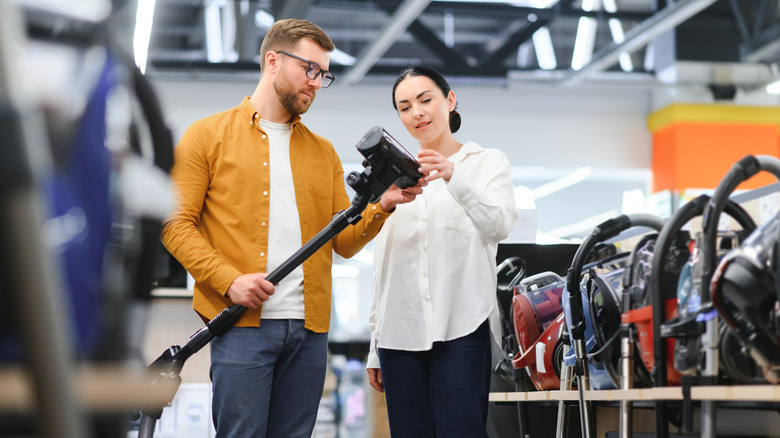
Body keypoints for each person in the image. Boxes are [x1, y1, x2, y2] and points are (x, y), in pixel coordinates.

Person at [160, 19, 422, 438]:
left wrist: (382, 206)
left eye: (324, 75)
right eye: (310, 69)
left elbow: (344, 243)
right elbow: (174, 224)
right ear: (273, 60)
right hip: (241, 323)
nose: (317, 83)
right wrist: (229, 281)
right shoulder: (206, 137)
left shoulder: (323, 152)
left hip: (310, 330)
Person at [366, 66, 519, 437]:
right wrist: (374, 345)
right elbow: (384, 267)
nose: (416, 112)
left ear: (449, 101)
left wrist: (454, 175)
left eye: (425, 99)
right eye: (404, 107)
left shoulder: (486, 163)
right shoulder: (390, 178)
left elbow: (499, 225)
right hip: (399, 335)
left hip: (463, 327)